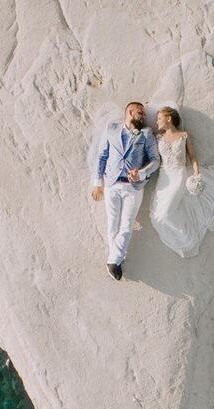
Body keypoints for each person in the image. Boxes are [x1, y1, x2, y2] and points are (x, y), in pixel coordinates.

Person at [149, 106, 214, 257]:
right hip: (164, 177)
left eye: (159, 118)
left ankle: (187, 236)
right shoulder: (157, 138)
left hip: (178, 175)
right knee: (157, 215)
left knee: (165, 213)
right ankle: (183, 232)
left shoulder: (183, 135)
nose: (157, 122)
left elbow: (193, 157)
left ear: (169, 118)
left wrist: (196, 174)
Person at [90, 101, 160, 281]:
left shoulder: (146, 134)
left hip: (133, 188)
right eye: (140, 112)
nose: (143, 116)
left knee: (126, 225)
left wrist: (142, 173)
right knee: (112, 224)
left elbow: (155, 160)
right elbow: (102, 156)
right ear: (130, 111)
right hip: (111, 184)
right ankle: (115, 260)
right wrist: (98, 183)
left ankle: (114, 260)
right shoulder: (111, 129)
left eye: (143, 113)